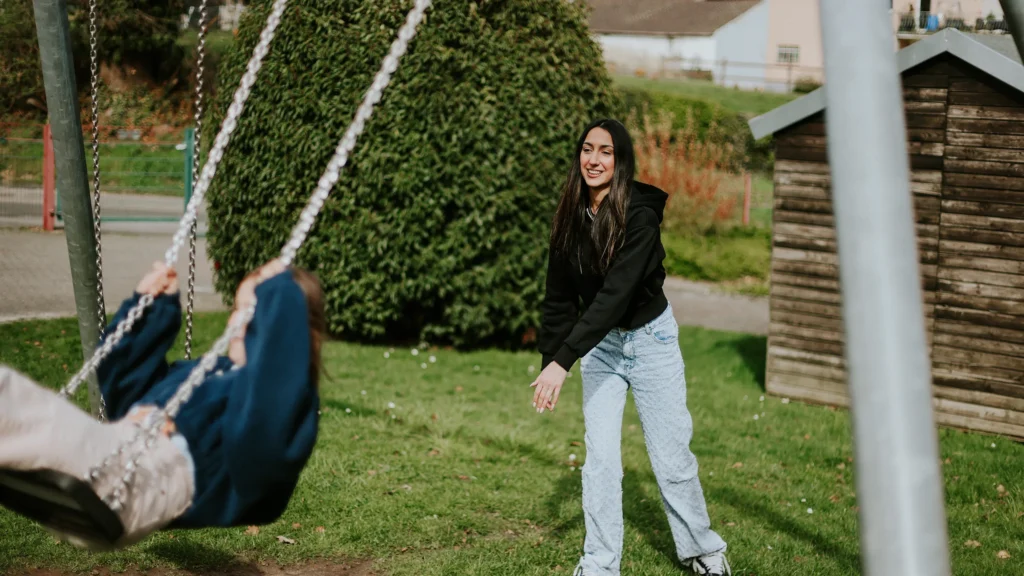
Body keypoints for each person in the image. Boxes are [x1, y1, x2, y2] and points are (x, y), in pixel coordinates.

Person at [0, 258, 325, 550]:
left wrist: (280, 295)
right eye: (237, 308)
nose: (239, 321)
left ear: (292, 330)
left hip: (139, 481)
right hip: (114, 450)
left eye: (257, 311)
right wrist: (150, 309)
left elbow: (262, 427)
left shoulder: (280, 410)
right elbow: (125, 389)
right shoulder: (204, 374)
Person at [532, 118, 730, 576]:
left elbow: (613, 297)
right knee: (599, 461)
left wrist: (564, 362)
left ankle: (703, 550)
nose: (593, 159)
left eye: (605, 151)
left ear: (620, 161)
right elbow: (559, 297)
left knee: (671, 458)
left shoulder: (639, 216)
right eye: (587, 149)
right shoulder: (569, 215)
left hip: (651, 341)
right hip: (602, 349)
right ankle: (599, 565)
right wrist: (550, 363)